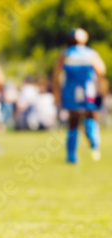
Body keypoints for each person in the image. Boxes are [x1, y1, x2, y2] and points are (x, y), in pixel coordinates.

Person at [54, 28, 105, 163]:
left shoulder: (65, 54)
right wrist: (101, 89)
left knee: (73, 121)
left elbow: (56, 76)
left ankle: (71, 155)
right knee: (91, 115)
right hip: (88, 90)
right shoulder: (90, 53)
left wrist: (57, 94)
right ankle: (93, 138)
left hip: (70, 91)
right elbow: (101, 71)